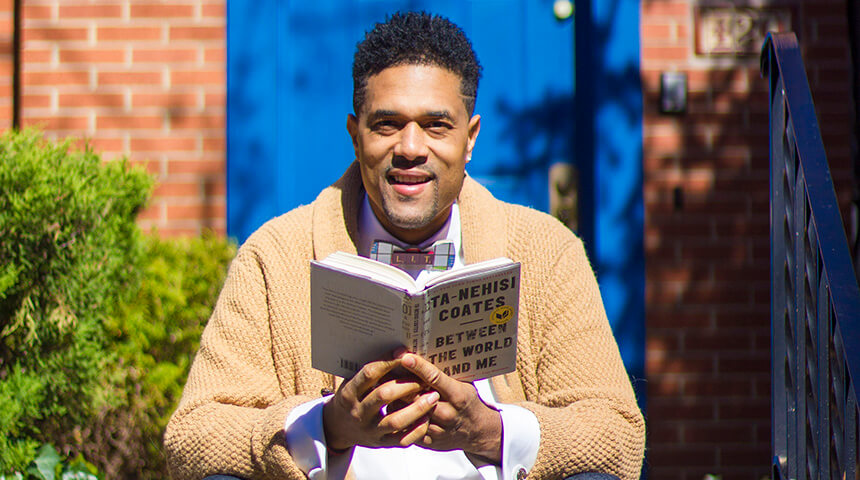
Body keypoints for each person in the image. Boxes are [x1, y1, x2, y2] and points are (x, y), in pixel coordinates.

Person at [164, 11, 645, 480]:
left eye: (436, 125)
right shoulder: (274, 256)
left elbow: (617, 433)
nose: (411, 147)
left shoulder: (546, 252)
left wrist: (491, 431)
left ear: (470, 138)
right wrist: (327, 426)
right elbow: (194, 436)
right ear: (355, 136)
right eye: (387, 124)